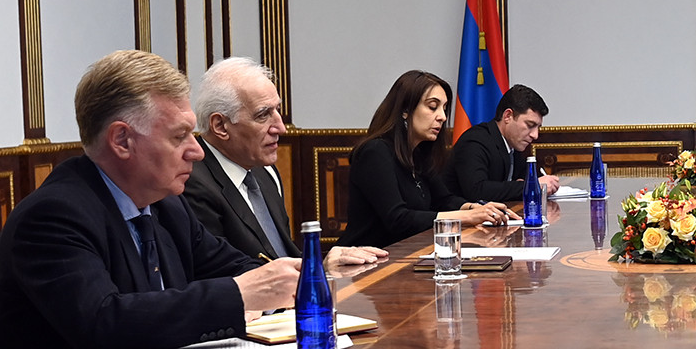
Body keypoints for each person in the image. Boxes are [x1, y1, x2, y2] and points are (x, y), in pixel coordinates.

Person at [0, 51, 301, 349]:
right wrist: (241, 294)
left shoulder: (166, 205)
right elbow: (104, 324)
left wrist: (295, 277)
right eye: (179, 137)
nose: (196, 151)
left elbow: (233, 266)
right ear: (122, 140)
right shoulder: (53, 216)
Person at [183, 57, 387, 267]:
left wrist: (323, 261)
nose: (281, 128)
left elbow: (282, 254)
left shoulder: (265, 172)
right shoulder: (191, 183)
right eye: (263, 115)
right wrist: (316, 268)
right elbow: (223, 274)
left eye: (277, 110)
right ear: (221, 126)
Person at [340, 70, 512, 248]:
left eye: (444, 109)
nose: (443, 117)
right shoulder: (375, 152)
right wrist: (467, 217)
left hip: (408, 255)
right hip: (364, 264)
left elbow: (444, 200)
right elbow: (398, 219)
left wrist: (475, 208)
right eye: (432, 107)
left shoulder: (419, 153)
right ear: (405, 110)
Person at [449, 84, 559, 204]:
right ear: (508, 116)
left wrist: (525, 184)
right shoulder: (475, 141)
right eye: (530, 125)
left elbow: (522, 180)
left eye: (538, 127)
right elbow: (477, 190)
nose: (535, 135)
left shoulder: (514, 144)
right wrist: (532, 186)